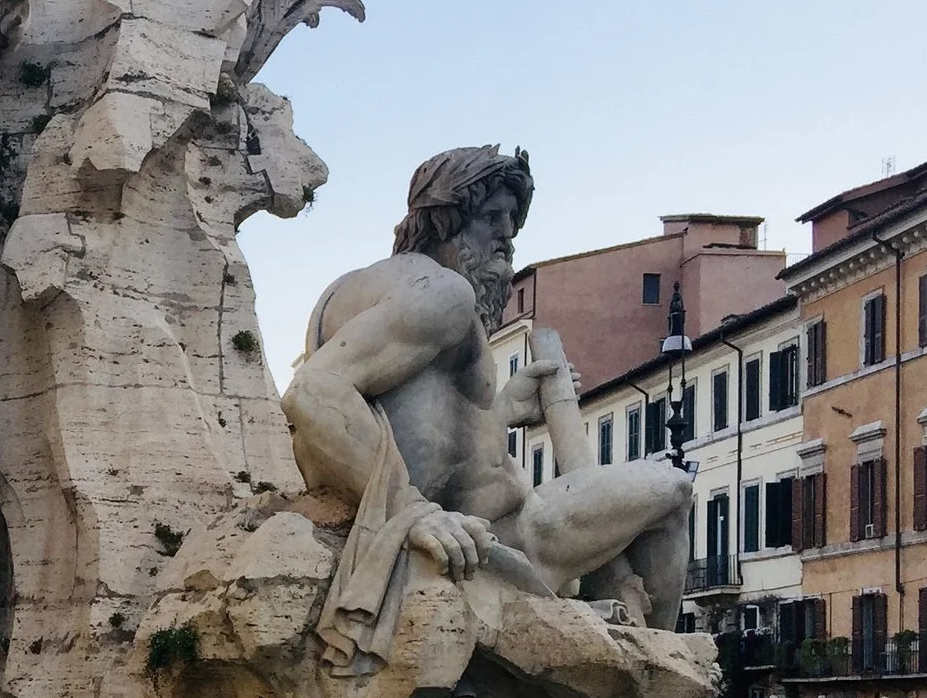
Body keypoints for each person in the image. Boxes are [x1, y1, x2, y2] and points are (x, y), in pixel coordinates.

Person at [280, 145, 693, 670]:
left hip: (475, 521)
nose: (507, 238)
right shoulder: (443, 294)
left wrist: (502, 410)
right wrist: (411, 511)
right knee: (672, 488)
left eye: (513, 224)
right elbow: (313, 393)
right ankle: (654, 682)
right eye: (491, 219)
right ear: (445, 221)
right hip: (507, 537)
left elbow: (412, 425)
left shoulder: (361, 287)